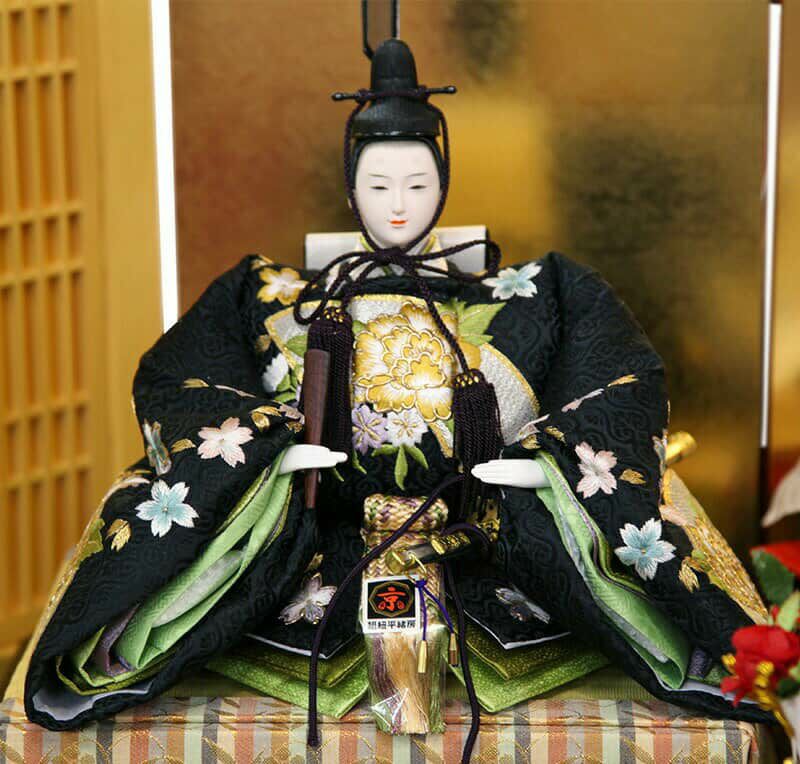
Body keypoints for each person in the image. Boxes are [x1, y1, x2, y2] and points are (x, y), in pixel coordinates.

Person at [25, 39, 768, 759]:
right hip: (316, 544)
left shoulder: (540, 290)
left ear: (445, 181)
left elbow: (620, 378)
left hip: (490, 545)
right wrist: (270, 455)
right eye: (379, 187)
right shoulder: (268, 293)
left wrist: (551, 466)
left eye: (418, 184)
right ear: (350, 189)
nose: (400, 206)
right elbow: (181, 379)